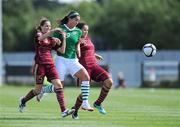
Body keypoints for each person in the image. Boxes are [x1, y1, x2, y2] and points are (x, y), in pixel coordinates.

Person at [37, 22, 113, 119]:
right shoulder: (74, 37)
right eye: (84, 30)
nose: (85, 32)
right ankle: (74, 110)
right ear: (78, 29)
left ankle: (96, 103)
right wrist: (77, 44)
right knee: (62, 87)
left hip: (93, 65)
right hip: (81, 65)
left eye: (87, 30)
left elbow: (88, 50)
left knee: (108, 81)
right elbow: (74, 52)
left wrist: (94, 55)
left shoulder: (88, 38)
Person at [18, 18, 75, 118]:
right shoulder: (39, 35)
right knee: (37, 90)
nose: (48, 28)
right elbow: (40, 39)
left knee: (59, 85)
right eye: (46, 26)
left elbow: (62, 51)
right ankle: (23, 100)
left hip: (50, 65)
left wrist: (64, 38)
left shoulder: (51, 39)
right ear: (41, 27)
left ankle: (64, 110)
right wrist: (53, 32)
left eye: (49, 26)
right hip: (40, 66)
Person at [37, 11, 94, 111]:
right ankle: (43, 90)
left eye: (78, 21)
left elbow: (76, 46)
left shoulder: (78, 31)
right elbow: (50, 39)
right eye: (76, 20)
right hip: (61, 60)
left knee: (86, 77)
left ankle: (85, 103)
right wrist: (54, 39)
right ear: (70, 19)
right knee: (60, 87)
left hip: (73, 60)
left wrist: (80, 48)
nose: (77, 22)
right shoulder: (61, 29)